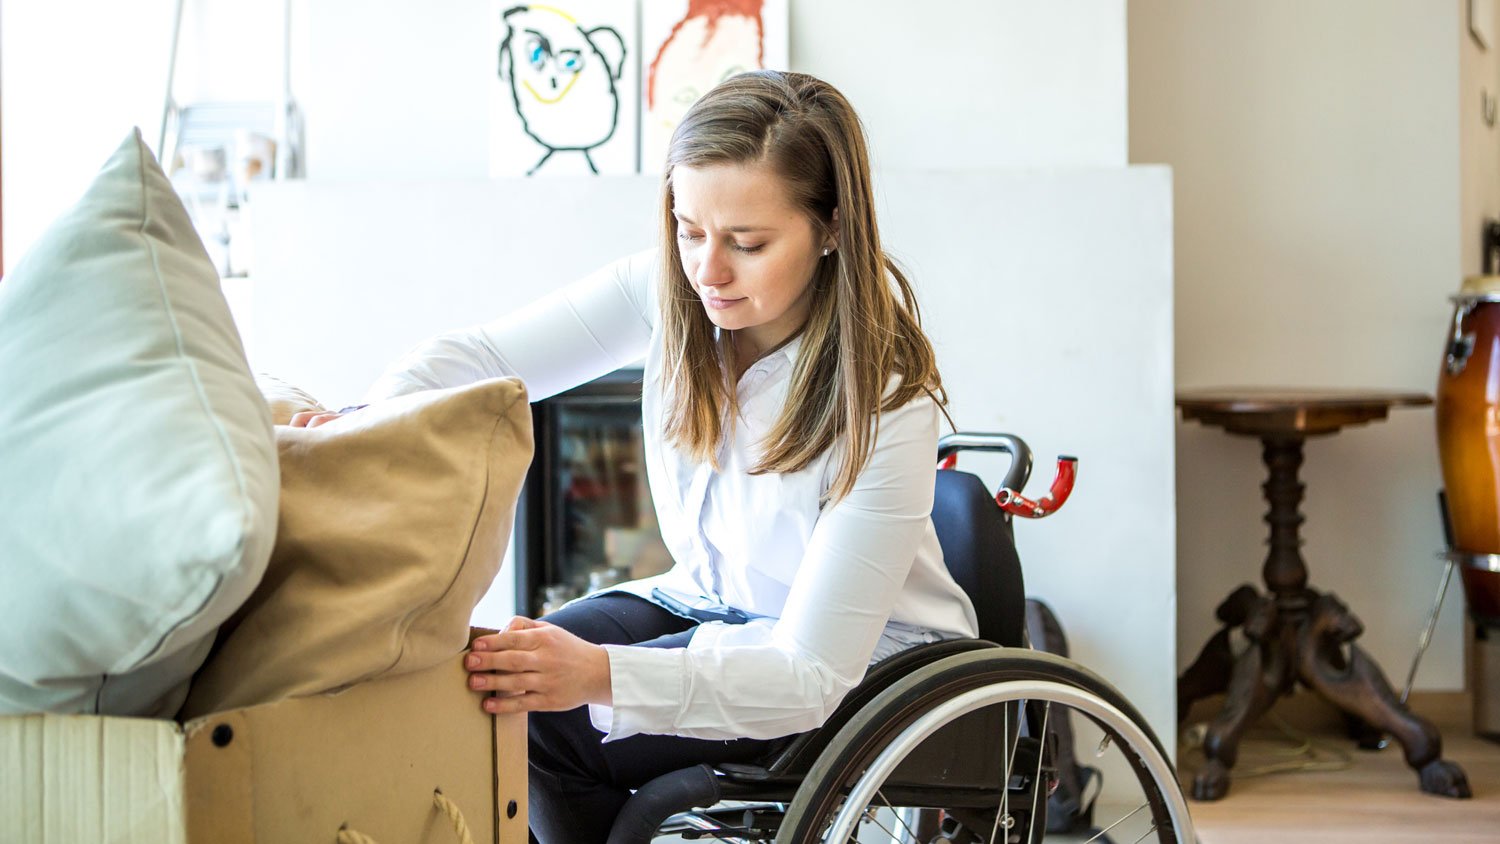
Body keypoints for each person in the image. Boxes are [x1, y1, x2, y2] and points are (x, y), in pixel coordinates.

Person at [293, 69, 976, 844]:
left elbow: (808, 672)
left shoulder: (885, 401)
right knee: (508, 683)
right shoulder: (665, 294)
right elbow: (489, 354)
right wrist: (366, 417)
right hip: (711, 601)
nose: (708, 271)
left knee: (554, 718)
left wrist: (598, 674)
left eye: (747, 244)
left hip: (868, 665)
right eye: (689, 231)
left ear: (831, 229)